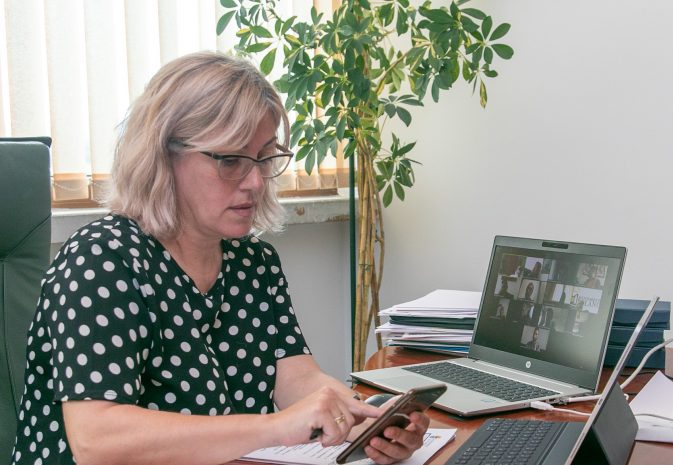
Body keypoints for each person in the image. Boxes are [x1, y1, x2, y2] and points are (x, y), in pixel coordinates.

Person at [10, 52, 429, 465]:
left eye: (265, 158)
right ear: (162, 155)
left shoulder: (255, 262)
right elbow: (98, 440)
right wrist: (277, 426)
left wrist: (362, 420)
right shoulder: (102, 260)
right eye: (230, 160)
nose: (255, 181)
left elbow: (297, 378)